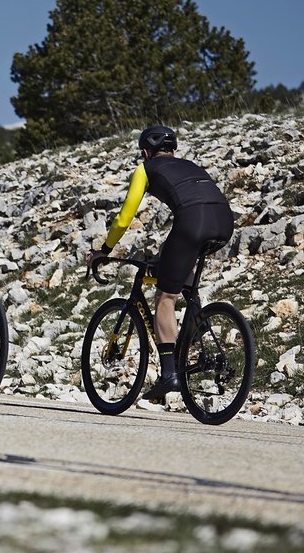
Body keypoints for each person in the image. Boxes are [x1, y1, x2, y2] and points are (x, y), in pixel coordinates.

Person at [86, 125, 235, 401]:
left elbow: (124, 218)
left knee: (165, 296)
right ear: (174, 151)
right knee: (171, 258)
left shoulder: (145, 169)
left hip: (192, 221)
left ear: (145, 152)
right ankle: (197, 319)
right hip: (224, 221)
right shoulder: (189, 165)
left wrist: (103, 250)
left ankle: (169, 375)